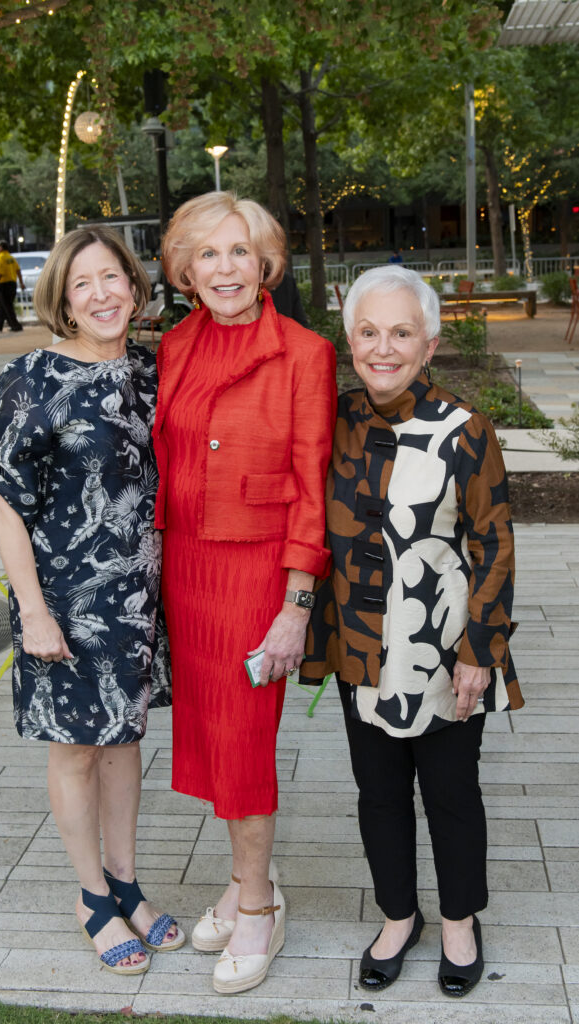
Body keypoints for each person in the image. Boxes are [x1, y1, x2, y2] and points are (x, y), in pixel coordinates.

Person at [301, 265, 523, 998]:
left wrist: (479, 652)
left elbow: (493, 544)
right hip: (360, 648)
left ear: (428, 346)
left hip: (441, 648)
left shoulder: (465, 431)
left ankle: (458, 920)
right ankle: (398, 916)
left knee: (452, 793)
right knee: (378, 793)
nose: (383, 347)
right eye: (368, 332)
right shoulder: (328, 422)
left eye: (401, 333)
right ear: (349, 339)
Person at [0, 226, 183, 976]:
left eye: (112, 279)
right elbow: (4, 504)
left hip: (138, 593)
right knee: (77, 746)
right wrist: (32, 608)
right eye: (82, 284)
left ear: (134, 285)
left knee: (123, 738)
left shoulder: (152, 371)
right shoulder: (28, 379)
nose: (101, 295)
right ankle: (92, 896)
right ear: (62, 298)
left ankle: (126, 878)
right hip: (63, 597)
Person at [155, 191, 337, 993]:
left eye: (240, 252)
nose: (224, 269)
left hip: (258, 574)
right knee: (211, 740)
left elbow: (311, 486)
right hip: (187, 570)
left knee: (243, 745)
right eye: (207, 254)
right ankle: (239, 879)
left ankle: (259, 904)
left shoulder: (303, 353)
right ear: (183, 269)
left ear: (265, 263)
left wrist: (295, 605)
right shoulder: (174, 345)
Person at [0, 240, 25, 332]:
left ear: (1, 248)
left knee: (7, 306)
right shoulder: (11, 258)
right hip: (12, 284)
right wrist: (21, 283)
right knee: (4, 306)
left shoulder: (0, 258)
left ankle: (15, 325)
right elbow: (18, 271)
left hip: (2, 285)